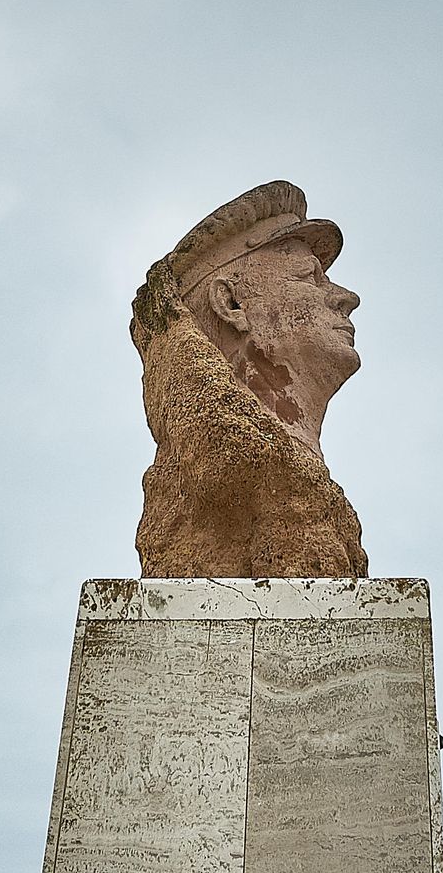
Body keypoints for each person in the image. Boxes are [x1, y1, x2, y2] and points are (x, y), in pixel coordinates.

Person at [129, 180, 370, 577]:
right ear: (232, 305)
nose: (346, 296)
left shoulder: (309, 494)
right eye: (310, 278)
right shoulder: (237, 478)